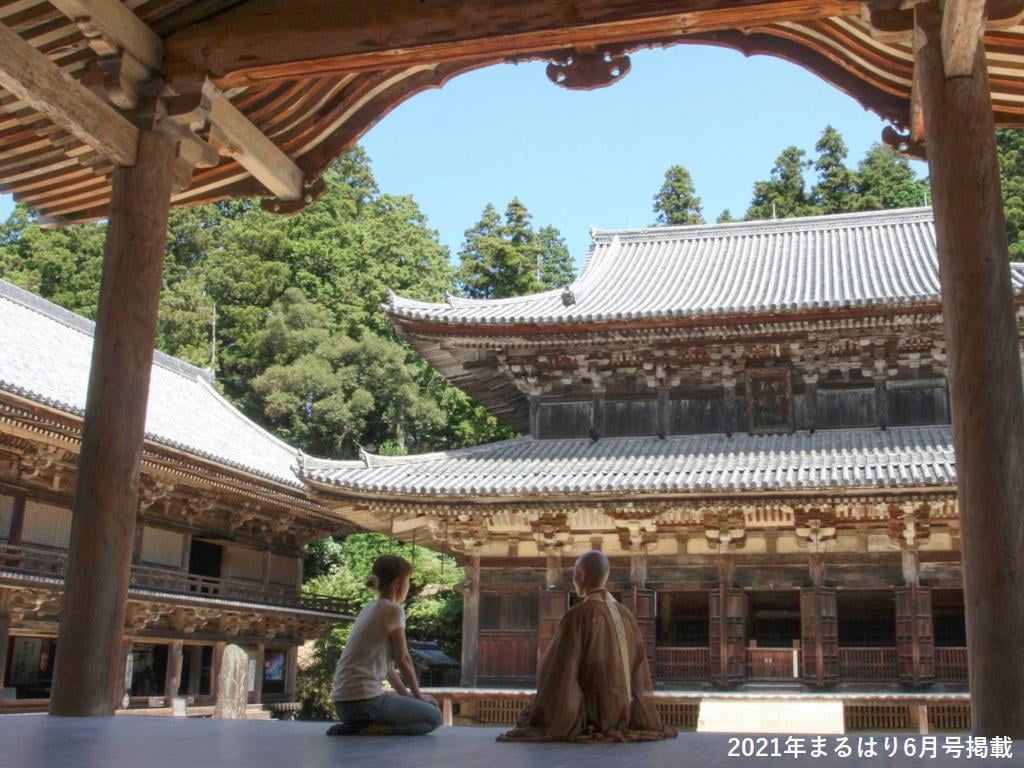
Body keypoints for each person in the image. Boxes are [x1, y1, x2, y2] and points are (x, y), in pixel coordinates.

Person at [498, 550, 676, 743]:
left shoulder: (579, 614)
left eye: (574, 574)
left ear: (581, 574)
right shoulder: (627, 615)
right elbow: (639, 669)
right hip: (626, 711)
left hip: (593, 713)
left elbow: (560, 669)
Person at [327, 554, 442, 736]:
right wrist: (418, 697)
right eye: (408, 580)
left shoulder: (368, 608)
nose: (408, 585)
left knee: (420, 709)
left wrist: (406, 695)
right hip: (364, 703)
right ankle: (372, 729)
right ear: (398, 583)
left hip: (343, 706)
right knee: (434, 717)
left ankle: (358, 726)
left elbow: (387, 668)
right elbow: (403, 659)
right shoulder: (393, 610)